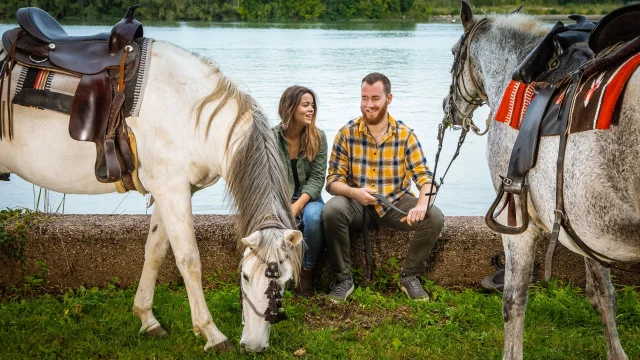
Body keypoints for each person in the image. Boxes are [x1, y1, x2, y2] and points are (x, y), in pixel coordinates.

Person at [322, 72, 444, 302]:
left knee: (434, 216)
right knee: (331, 210)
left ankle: (410, 276)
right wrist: (353, 192)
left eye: (375, 98)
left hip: (394, 203)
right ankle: (343, 279)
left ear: (389, 99)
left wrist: (422, 203)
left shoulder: (405, 135)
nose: (368, 105)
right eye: (364, 98)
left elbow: (425, 178)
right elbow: (332, 181)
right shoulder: (346, 134)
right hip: (357, 205)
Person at [272, 85, 327, 297]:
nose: (311, 109)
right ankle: (277, 275)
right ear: (290, 108)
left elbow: (317, 179)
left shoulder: (318, 137)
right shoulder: (271, 138)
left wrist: (296, 206)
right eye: (306, 105)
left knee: (314, 217)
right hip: (279, 197)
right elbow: (268, 178)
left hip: (309, 197)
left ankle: (306, 272)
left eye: (312, 105)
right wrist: (285, 206)